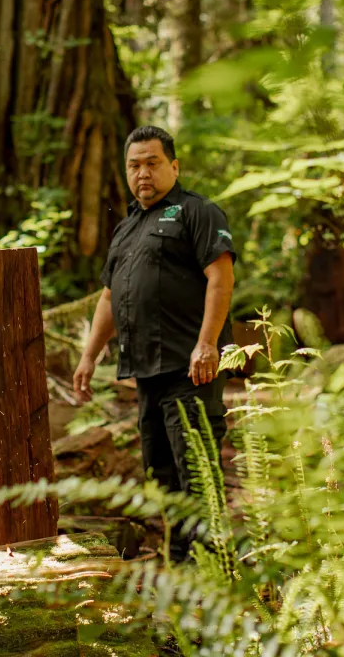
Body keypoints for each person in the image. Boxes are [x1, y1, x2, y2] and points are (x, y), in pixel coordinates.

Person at [73, 126, 236, 561]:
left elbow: (220, 278)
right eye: (134, 165)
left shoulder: (197, 212)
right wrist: (90, 355)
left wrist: (207, 344)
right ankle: (182, 567)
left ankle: (215, 574)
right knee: (162, 476)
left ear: (174, 166)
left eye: (152, 163)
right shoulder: (127, 228)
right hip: (146, 373)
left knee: (197, 473)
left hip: (190, 370)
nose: (143, 173)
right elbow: (109, 295)